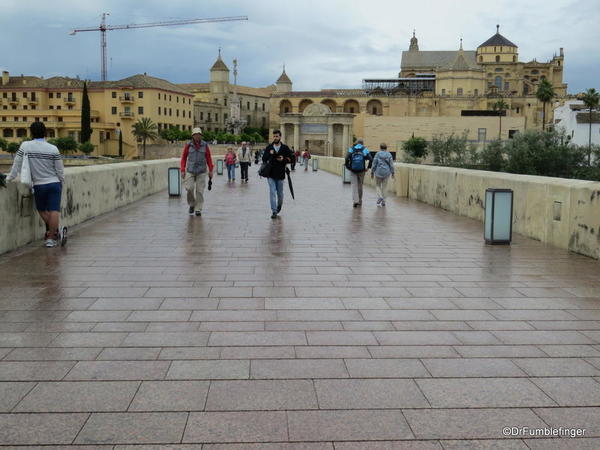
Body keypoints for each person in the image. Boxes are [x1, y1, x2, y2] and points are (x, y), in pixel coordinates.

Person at [6, 121, 66, 247]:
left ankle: (54, 233)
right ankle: (52, 238)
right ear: (45, 132)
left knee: (42, 209)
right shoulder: (53, 148)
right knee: (54, 210)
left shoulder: (26, 146)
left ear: (31, 132)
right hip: (54, 183)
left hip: (39, 184)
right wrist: (61, 181)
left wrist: (9, 178)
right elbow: (60, 169)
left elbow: (17, 164)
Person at [180, 127, 214, 217]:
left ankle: (198, 208)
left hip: (201, 171)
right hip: (190, 170)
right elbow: (183, 158)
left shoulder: (205, 145)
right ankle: (192, 204)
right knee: (189, 188)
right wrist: (182, 170)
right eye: (196, 134)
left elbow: (208, 158)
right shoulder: (188, 145)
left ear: (201, 135)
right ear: (193, 136)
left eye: (199, 134)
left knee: (200, 191)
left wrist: (211, 170)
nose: (197, 136)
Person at [262, 129, 293, 219]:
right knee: (272, 192)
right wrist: (270, 155)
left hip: (280, 174)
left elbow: (292, 159)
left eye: (277, 136)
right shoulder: (269, 147)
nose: (275, 138)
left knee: (280, 193)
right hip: (270, 173)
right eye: (274, 136)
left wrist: (283, 159)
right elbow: (264, 159)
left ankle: (279, 206)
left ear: (280, 137)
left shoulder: (285, 148)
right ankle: (274, 211)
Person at [345, 139, 373, 208]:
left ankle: (355, 201)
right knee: (360, 185)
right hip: (362, 170)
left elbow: (346, 158)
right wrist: (368, 167)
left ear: (356, 143)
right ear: (362, 143)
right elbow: (371, 159)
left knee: (354, 185)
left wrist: (347, 166)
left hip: (353, 170)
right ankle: (360, 200)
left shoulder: (351, 149)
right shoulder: (365, 149)